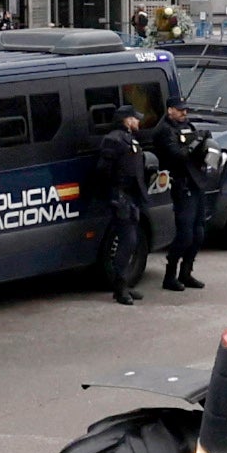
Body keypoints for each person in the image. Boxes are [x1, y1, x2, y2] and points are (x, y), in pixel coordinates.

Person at [89, 103, 153, 305]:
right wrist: (114, 192)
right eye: (135, 118)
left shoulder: (129, 138)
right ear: (126, 120)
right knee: (127, 241)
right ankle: (120, 287)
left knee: (132, 241)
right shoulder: (113, 140)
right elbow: (103, 170)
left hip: (132, 197)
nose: (138, 121)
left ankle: (125, 283)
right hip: (121, 196)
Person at [153, 96, 211, 290]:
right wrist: (196, 143)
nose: (184, 113)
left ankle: (186, 273)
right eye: (180, 110)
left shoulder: (187, 126)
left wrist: (205, 143)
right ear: (170, 110)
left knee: (199, 232)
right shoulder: (164, 130)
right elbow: (177, 155)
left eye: (185, 109)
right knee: (185, 234)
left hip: (196, 182)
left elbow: (199, 149)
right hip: (181, 184)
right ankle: (170, 275)